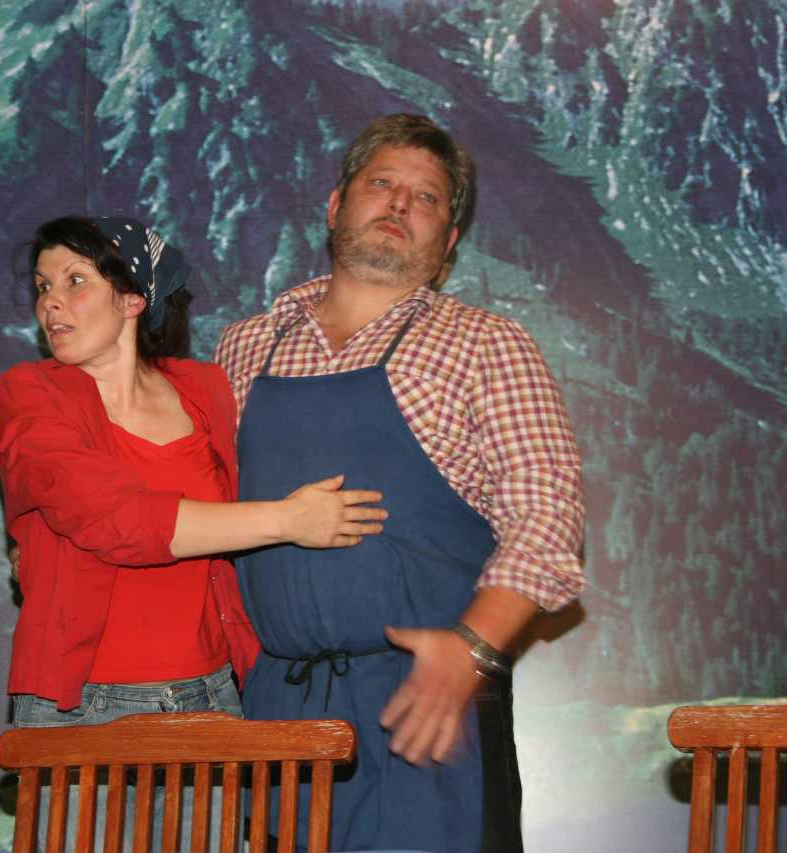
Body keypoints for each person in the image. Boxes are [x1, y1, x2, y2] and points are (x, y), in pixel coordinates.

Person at [215, 114, 586, 852]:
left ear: (449, 242)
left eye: (427, 198)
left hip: (427, 709)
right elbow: (193, 505)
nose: (399, 204)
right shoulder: (246, 345)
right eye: (381, 183)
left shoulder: (486, 344)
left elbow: (548, 520)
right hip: (275, 716)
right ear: (335, 205)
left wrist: (470, 648)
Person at [0, 214, 386, 755]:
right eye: (43, 286)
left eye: (74, 280)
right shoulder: (28, 394)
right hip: (80, 707)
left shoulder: (206, 389)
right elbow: (115, 521)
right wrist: (289, 520)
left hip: (212, 694)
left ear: (133, 298)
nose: (50, 302)